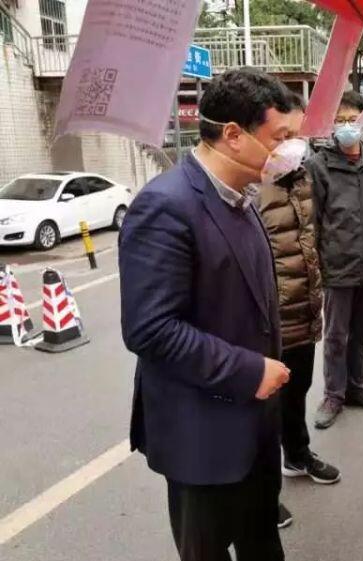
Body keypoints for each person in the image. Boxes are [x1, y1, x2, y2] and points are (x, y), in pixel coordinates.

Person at [119, 68, 295, 561]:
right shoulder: (165, 206)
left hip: (256, 423)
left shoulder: (243, 197)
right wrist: (250, 371)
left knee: (263, 543)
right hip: (202, 438)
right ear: (234, 135)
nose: (289, 151)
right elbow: (151, 330)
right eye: (280, 137)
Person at [256, 92, 341, 530]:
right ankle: (260, 493)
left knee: (298, 390)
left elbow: (316, 232)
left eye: (297, 133)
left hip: (305, 310)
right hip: (267, 321)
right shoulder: (250, 185)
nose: (292, 142)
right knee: (262, 409)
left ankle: (297, 455)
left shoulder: (304, 174)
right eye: (283, 134)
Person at [305, 90, 363, 429]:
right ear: (331, 125)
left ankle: (356, 387)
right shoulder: (318, 165)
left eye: (353, 119)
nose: (347, 126)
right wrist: (316, 266)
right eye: (340, 120)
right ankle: (334, 394)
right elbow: (312, 221)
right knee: (336, 335)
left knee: (362, 331)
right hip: (337, 265)